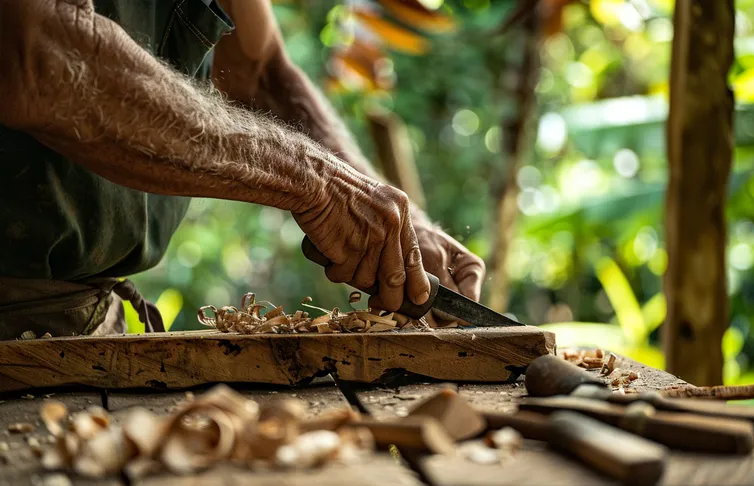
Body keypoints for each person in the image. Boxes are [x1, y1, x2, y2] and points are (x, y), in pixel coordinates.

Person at [0, 0, 486, 339]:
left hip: (79, 322)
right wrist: (312, 181)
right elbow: (36, 53)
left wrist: (396, 223)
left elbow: (261, 72)